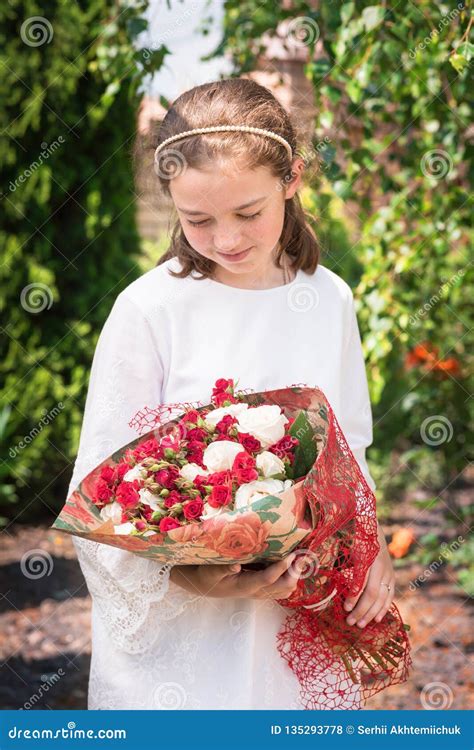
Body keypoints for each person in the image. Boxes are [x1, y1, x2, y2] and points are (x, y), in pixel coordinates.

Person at [68, 78, 395, 710]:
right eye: (197, 219)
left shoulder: (329, 299)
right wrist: (195, 578)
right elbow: (101, 492)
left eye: (248, 212)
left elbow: (348, 443)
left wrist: (367, 543)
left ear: (292, 178)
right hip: (183, 638)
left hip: (295, 606)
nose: (226, 239)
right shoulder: (150, 310)